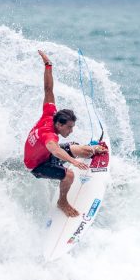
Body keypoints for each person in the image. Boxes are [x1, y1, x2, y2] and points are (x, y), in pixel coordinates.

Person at [24, 50, 108, 217]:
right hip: (37, 166)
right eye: (69, 127)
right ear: (59, 124)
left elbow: (48, 89)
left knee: (79, 149)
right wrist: (73, 162)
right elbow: (55, 150)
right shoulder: (49, 135)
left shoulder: (50, 113)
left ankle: (89, 151)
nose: (71, 130)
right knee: (69, 175)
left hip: (46, 155)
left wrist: (48, 65)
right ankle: (62, 201)